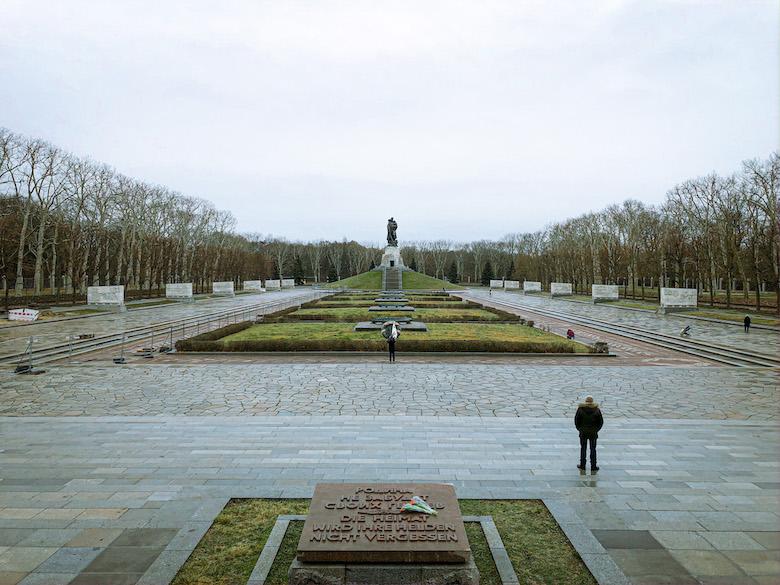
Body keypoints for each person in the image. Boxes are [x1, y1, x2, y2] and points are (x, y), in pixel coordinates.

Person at [575, 395, 603, 471]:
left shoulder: (580, 409)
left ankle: (582, 465)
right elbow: (600, 422)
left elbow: (576, 421)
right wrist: (596, 430)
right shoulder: (597, 410)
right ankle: (593, 466)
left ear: (585, 401)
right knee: (593, 449)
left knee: (583, 448)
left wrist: (580, 429)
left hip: (583, 433)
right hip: (593, 433)